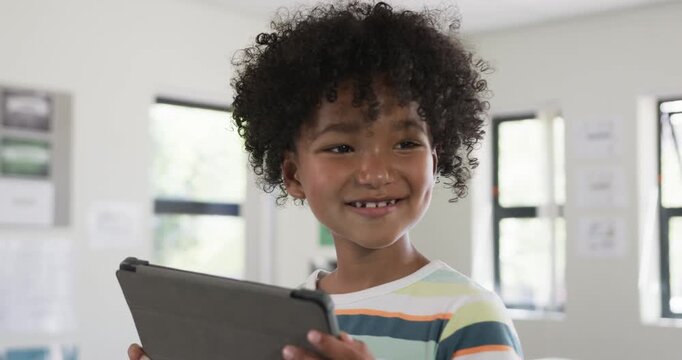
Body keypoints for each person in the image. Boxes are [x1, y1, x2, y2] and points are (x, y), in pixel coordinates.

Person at [128, 1, 523, 359]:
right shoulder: (292, 318)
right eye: (341, 148)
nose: (376, 173)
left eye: (404, 143)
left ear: (435, 163)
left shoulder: (467, 314)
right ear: (293, 175)